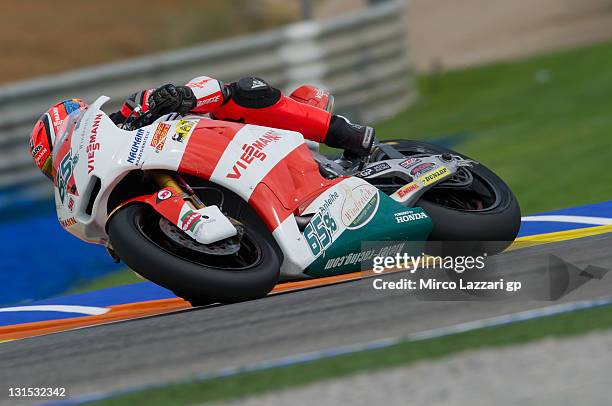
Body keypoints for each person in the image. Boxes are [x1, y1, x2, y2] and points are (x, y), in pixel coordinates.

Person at [29, 76, 374, 180]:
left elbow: (199, 88)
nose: (63, 166)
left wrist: (179, 97)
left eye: (61, 156)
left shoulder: (129, 110)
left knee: (241, 91)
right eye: (54, 170)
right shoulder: (100, 186)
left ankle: (345, 132)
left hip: (230, 142)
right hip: (206, 177)